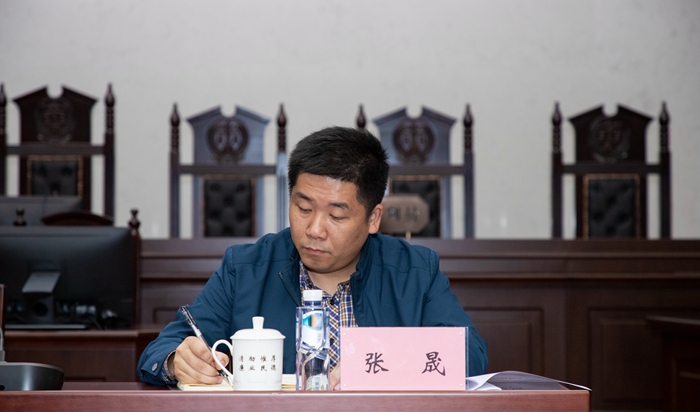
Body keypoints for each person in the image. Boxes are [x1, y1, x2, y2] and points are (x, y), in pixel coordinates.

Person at [137, 126, 488, 387]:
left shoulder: (415, 271)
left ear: (373, 218)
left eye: (336, 215)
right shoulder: (245, 269)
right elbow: (160, 350)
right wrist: (177, 361)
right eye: (303, 208)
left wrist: (376, 365)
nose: (315, 229)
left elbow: (470, 355)